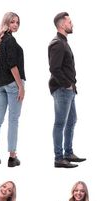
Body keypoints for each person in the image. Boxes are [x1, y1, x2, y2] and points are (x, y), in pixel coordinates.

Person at [49, 12, 85, 168]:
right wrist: (66, 85)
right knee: (60, 123)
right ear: (62, 24)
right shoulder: (57, 43)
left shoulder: (63, 42)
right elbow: (54, 69)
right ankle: (59, 158)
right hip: (63, 90)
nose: (72, 24)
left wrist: (72, 86)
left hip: (69, 90)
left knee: (71, 121)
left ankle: (68, 153)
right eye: (70, 22)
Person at [0, 12, 25, 167]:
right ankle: (12, 157)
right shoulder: (10, 40)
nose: (15, 25)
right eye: (12, 22)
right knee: (13, 120)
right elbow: (13, 65)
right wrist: (20, 86)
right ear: (6, 23)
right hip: (12, 84)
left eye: (17, 22)